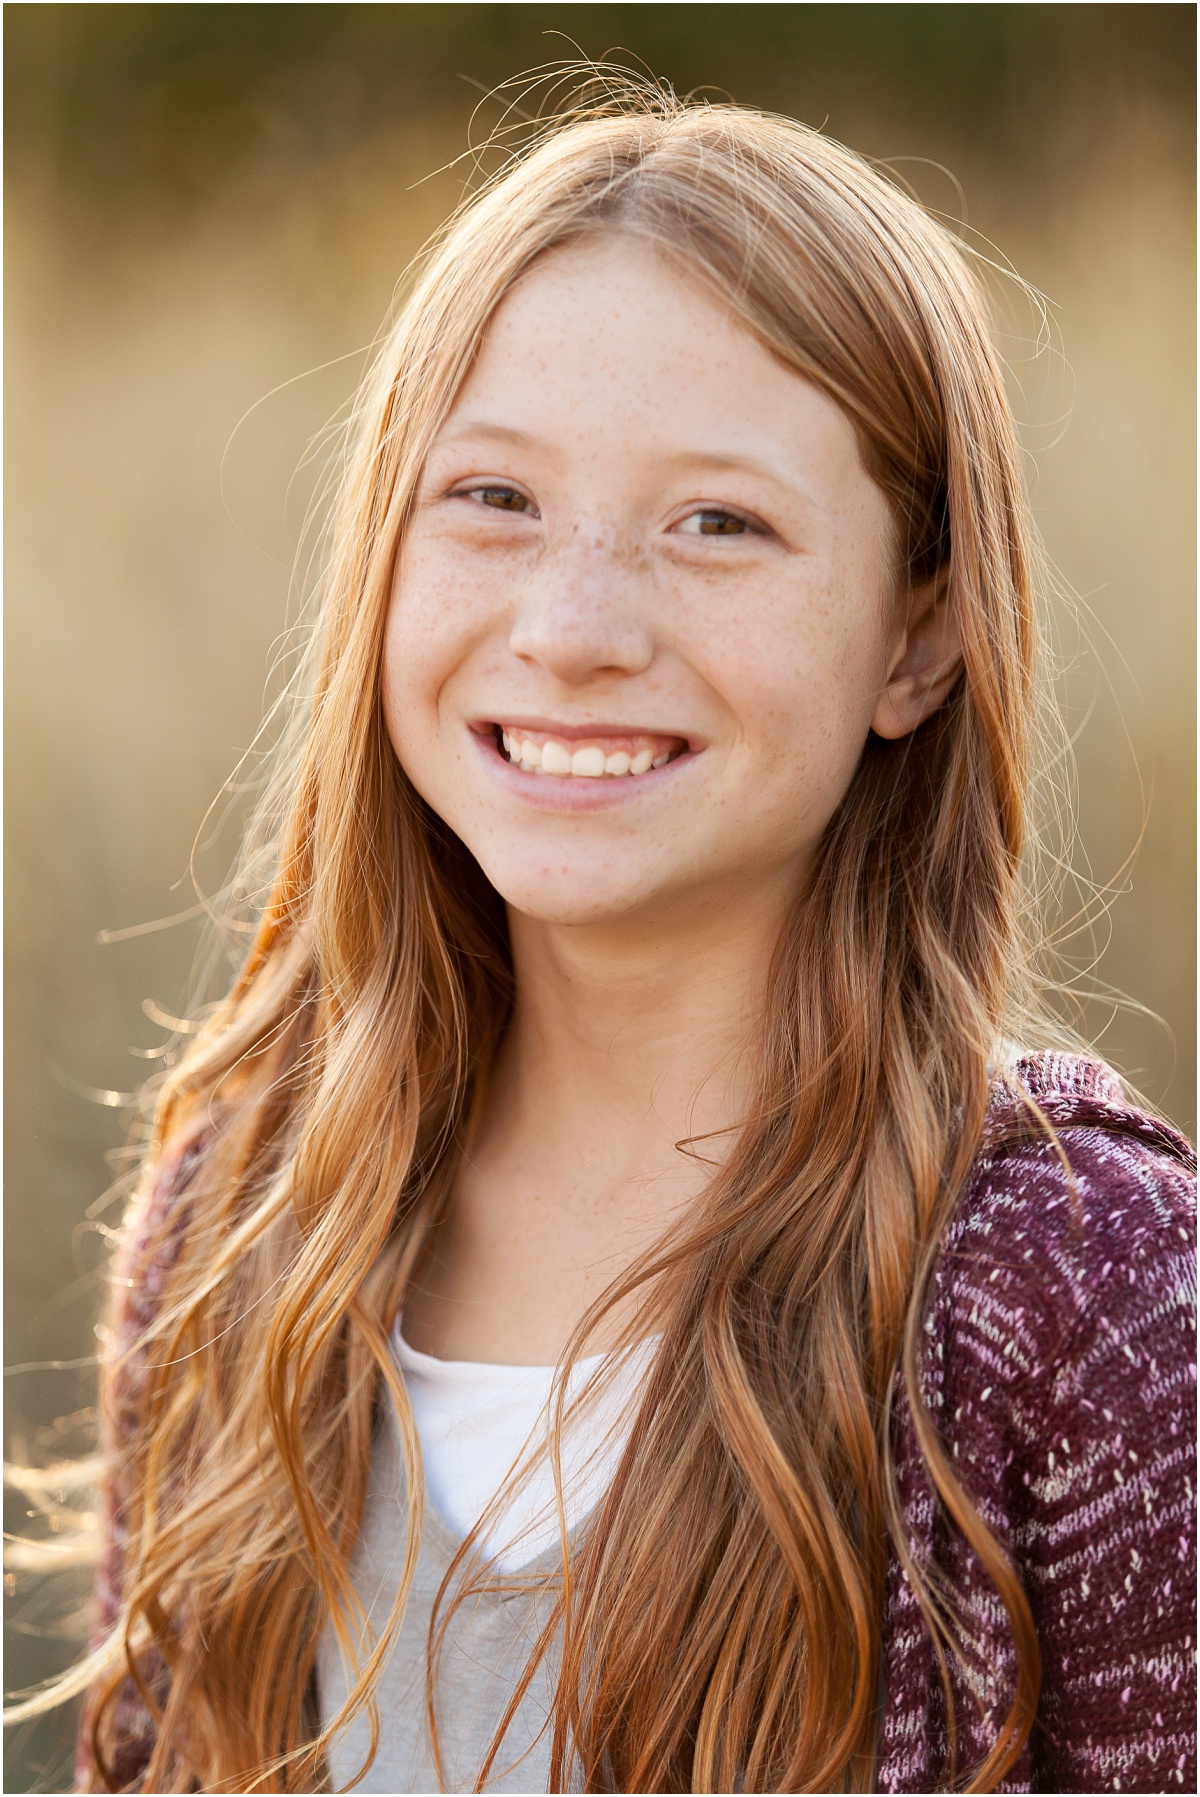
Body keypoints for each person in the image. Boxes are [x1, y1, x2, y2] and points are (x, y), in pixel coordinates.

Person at [56, 86, 1194, 1793]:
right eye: (494, 499)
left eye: (717, 523)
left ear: (921, 636)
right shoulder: (244, 1221)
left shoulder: (1086, 1291)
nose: (574, 626)